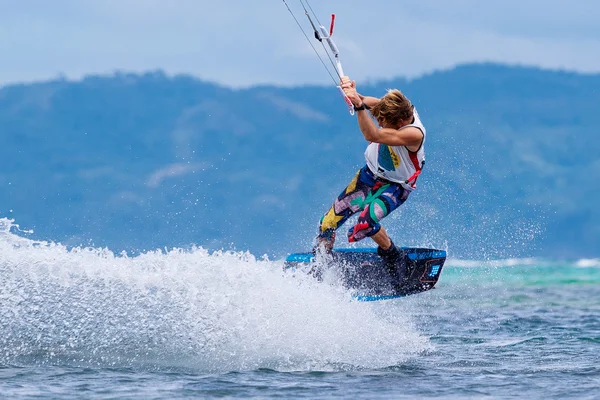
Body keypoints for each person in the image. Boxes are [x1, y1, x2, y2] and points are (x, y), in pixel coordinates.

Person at [315, 76, 426, 274]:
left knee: (366, 223)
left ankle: (393, 256)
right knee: (327, 224)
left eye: (384, 123)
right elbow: (366, 101)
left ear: (400, 122)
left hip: (395, 187)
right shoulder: (394, 110)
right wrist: (351, 93)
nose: (380, 123)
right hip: (368, 177)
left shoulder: (414, 134)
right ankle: (321, 264)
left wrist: (359, 108)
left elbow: (372, 135)